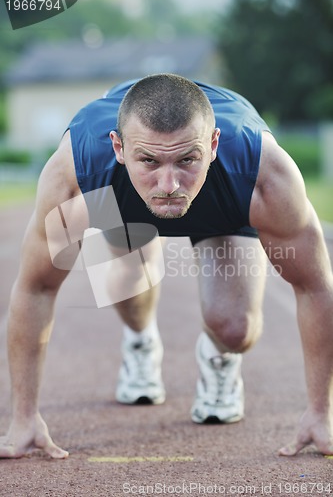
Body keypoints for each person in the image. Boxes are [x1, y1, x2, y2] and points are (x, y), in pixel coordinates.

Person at [1, 73, 333, 459]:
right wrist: (23, 417)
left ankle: (217, 355)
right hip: (121, 199)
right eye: (149, 161)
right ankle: (141, 341)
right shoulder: (78, 177)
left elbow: (315, 286)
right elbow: (36, 287)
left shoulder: (262, 177)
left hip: (222, 200)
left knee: (235, 327)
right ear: (119, 148)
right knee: (128, 284)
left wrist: (321, 412)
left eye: (186, 159)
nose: (170, 183)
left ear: (212, 146)